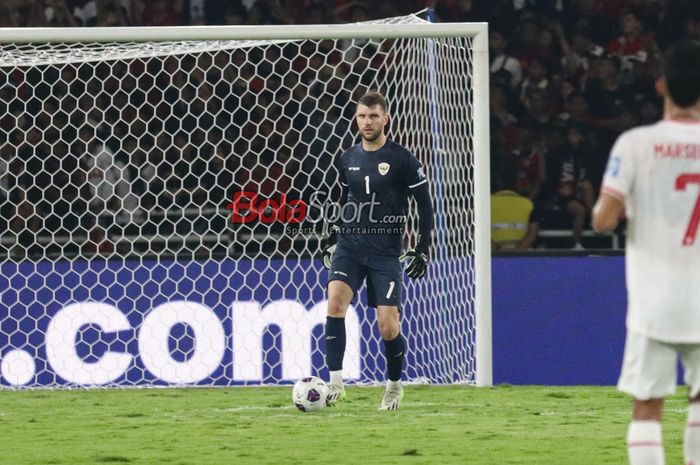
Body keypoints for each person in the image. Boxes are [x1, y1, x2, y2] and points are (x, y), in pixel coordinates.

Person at [592, 40, 700, 465]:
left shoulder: (635, 144)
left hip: (654, 301)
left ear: (660, 86)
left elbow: (602, 219)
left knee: (647, 408)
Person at [320, 91, 434, 411]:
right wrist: (332, 238)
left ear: (386, 119)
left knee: (388, 325)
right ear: (356, 120)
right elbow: (341, 202)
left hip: (386, 253)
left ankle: (394, 387)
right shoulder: (347, 158)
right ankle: (336, 383)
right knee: (335, 303)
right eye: (361, 116)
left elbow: (425, 207)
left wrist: (422, 249)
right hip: (351, 247)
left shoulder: (403, 159)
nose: (367, 122)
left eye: (373, 116)